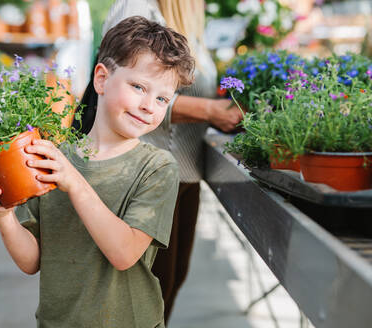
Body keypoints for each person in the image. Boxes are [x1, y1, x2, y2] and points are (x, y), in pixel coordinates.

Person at [0, 16, 195, 327]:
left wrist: (75, 183)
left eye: (162, 98)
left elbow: (123, 254)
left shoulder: (157, 167)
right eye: (138, 87)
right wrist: (5, 216)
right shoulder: (52, 157)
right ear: (102, 79)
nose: (149, 105)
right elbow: (32, 261)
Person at [72, 0, 244, 322]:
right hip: (138, 173)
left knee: (167, 286)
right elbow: (126, 85)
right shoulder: (137, 7)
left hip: (184, 171)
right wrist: (210, 111)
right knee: (140, 294)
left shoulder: (189, 17)